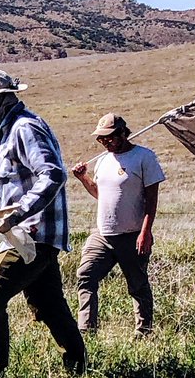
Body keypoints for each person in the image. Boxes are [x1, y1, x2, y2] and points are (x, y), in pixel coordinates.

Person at [0, 67, 86, 378]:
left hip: (31, 235)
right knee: (50, 306)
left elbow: (53, 174)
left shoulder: (24, 128)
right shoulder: (12, 129)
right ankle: (79, 370)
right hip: (31, 236)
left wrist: (17, 214)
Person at [71, 114, 165, 337]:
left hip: (132, 234)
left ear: (123, 133)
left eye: (110, 138)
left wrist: (145, 232)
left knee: (137, 284)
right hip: (102, 234)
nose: (106, 142)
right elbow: (100, 194)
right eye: (102, 139)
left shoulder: (144, 157)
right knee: (85, 275)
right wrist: (83, 178)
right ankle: (86, 332)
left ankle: (143, 333)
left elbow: (152, 199)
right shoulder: (103, 160)